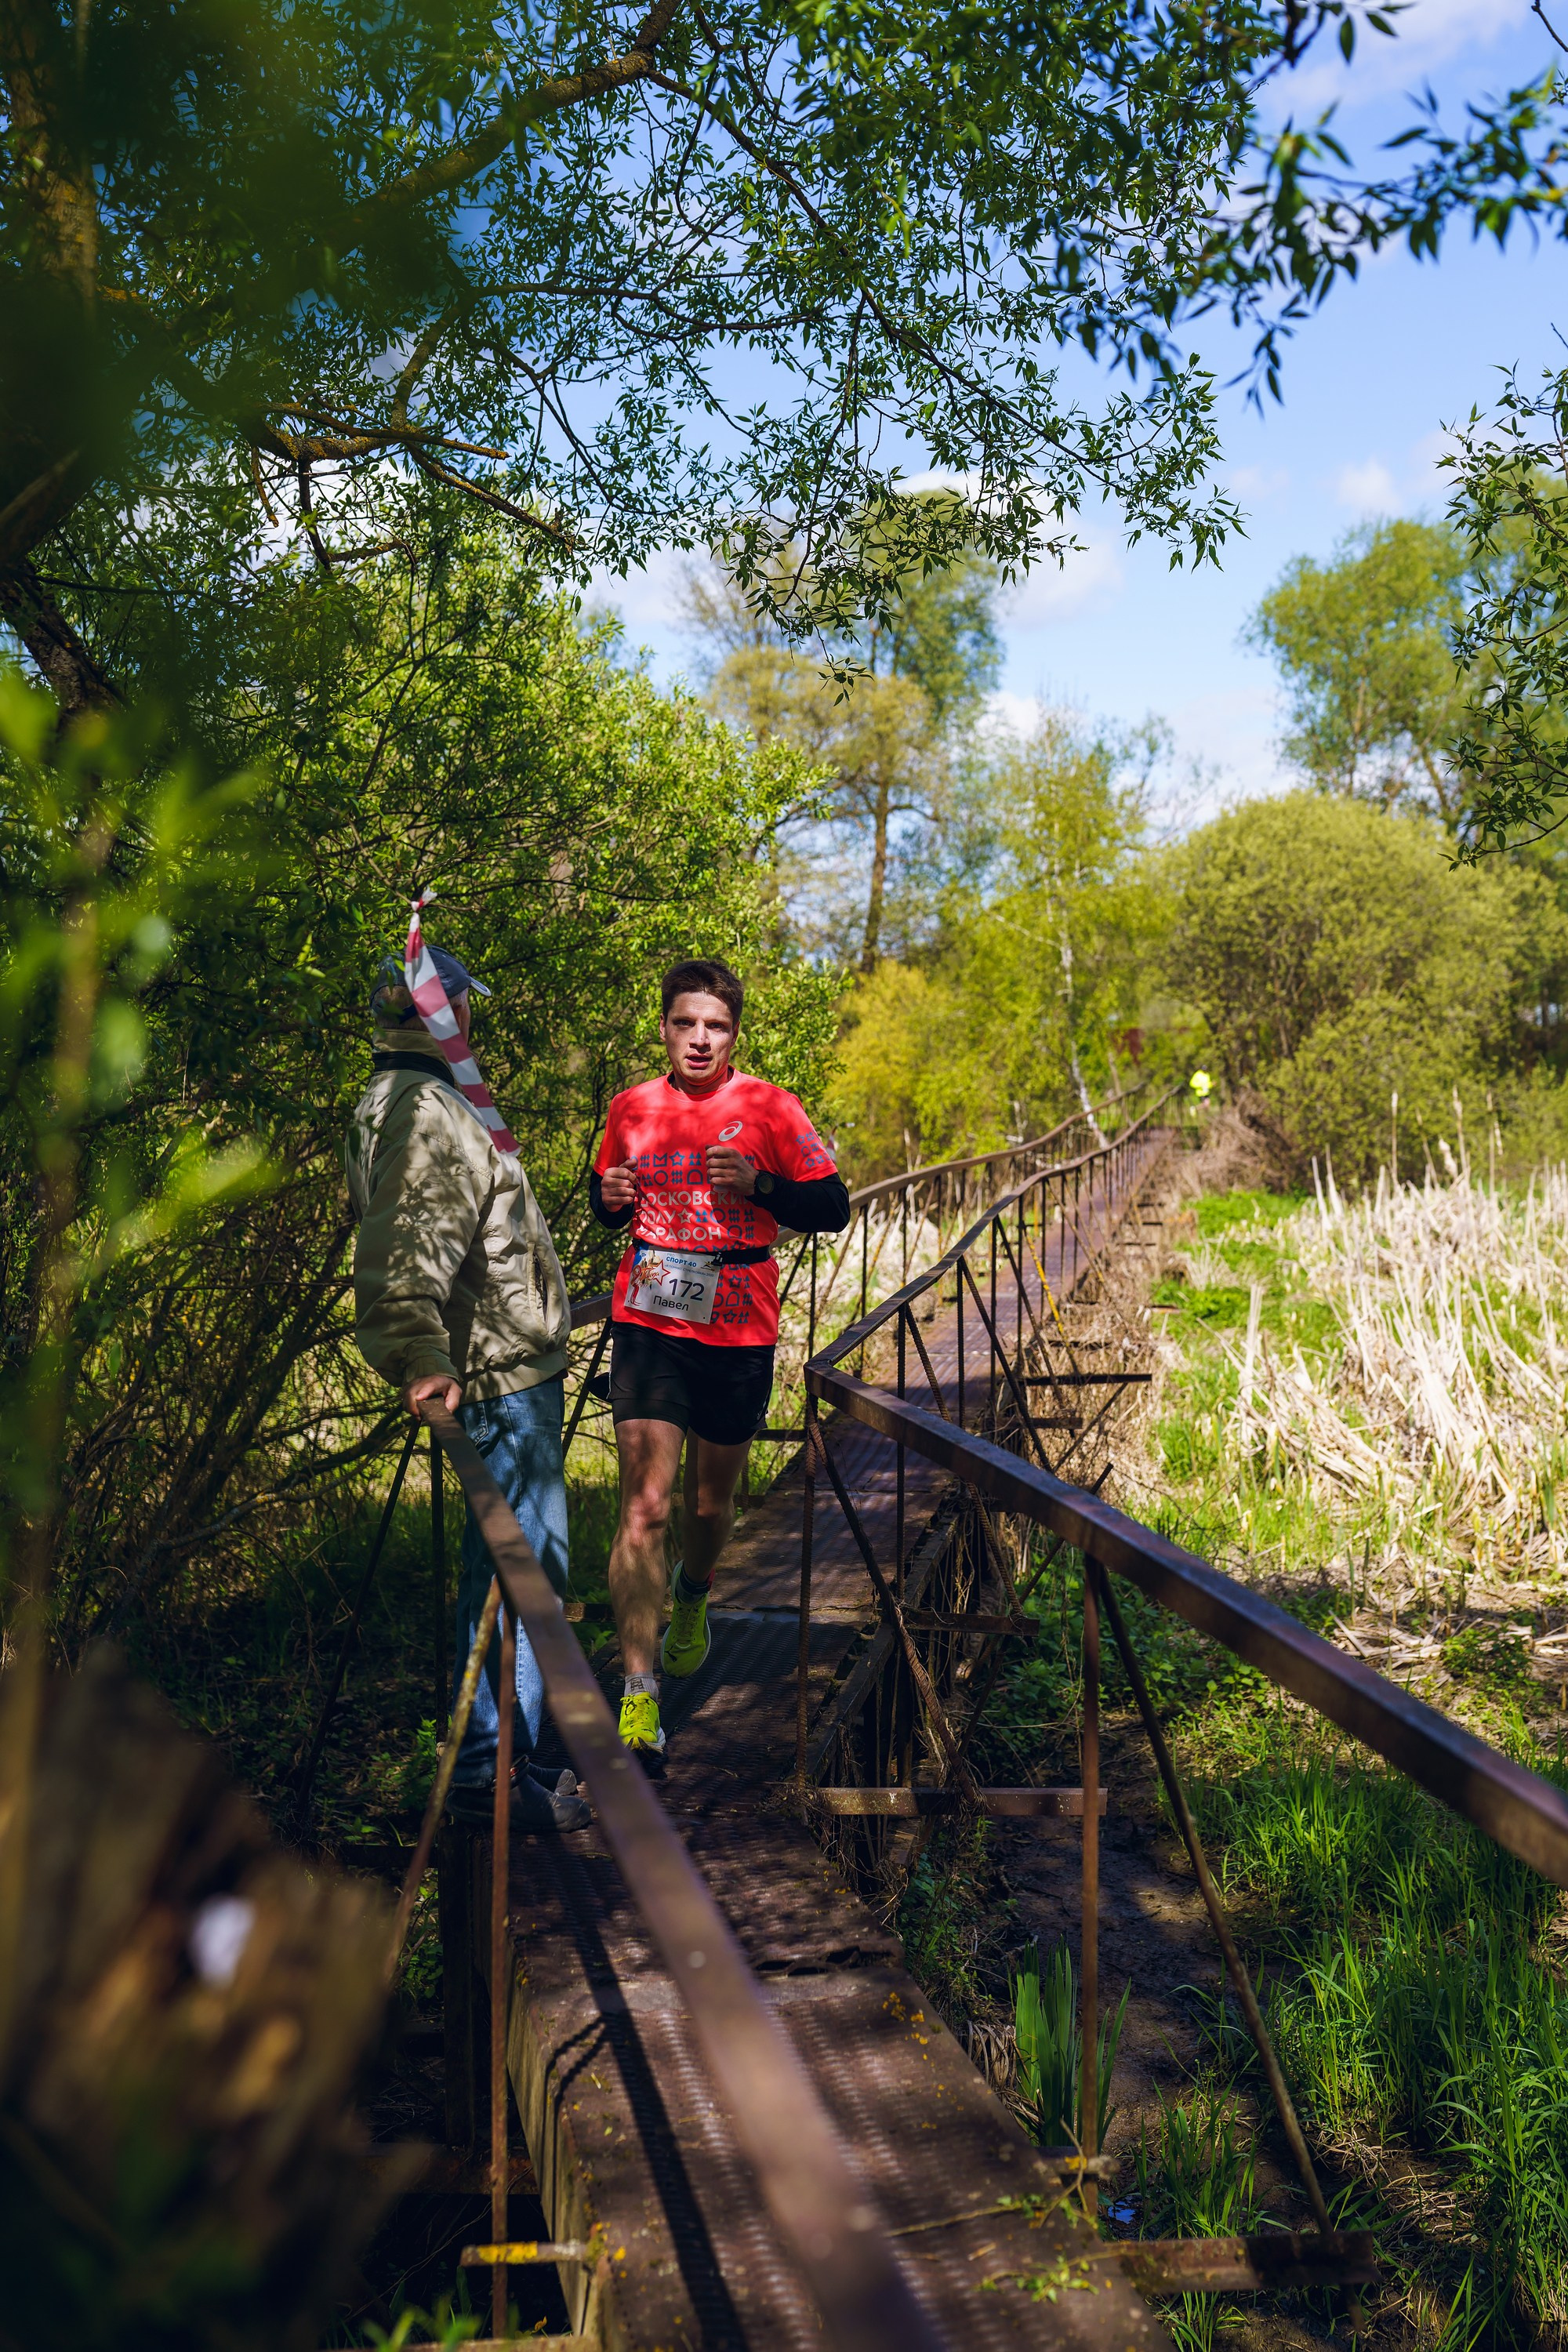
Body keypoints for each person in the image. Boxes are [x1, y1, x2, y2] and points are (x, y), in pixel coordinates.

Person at [346, 945, 592, 1832]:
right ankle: (494, 1780)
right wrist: (419, 1354)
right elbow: (405, 1249)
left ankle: (506, 1760)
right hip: (496, 1382)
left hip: (501, 1369)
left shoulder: (407, 1099)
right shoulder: (425, 1110)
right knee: (517, 1577)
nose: (471, 1019)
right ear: (436, 1012)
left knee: (516, 1572)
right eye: (461, 1005)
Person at [590, 957, 851, 1771]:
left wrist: (762, 1183)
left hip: (738, 1324)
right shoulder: (630, 1107)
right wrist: (607, 1197)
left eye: (715, 1027)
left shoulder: (769, 1107)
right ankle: (638, 1700)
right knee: (643, 1507)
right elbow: (602, 1198)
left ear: (734, 1034)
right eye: (684, 1023)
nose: (698, 1039)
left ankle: (694, 1593)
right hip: (648, 1318)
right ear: (663, 1027)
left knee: (707, 1509)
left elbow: (833, 1208)